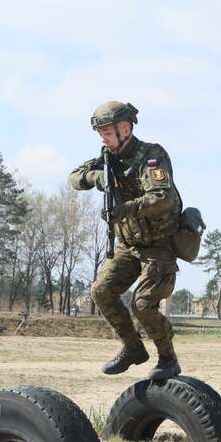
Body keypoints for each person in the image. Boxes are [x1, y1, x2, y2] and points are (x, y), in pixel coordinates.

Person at [70, 101, 184, 380]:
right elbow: (74, 178)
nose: (103, 138)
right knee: (101, 291)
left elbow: (162, 197)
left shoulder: (152, 156)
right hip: (129, 245)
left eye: (107, 132)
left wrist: (125, 209)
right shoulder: (107, 158)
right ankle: (133, 348)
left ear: (124, 129)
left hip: (159, 246)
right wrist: (96, 176)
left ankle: (168, 358)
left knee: (143, 304)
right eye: (100, 133)